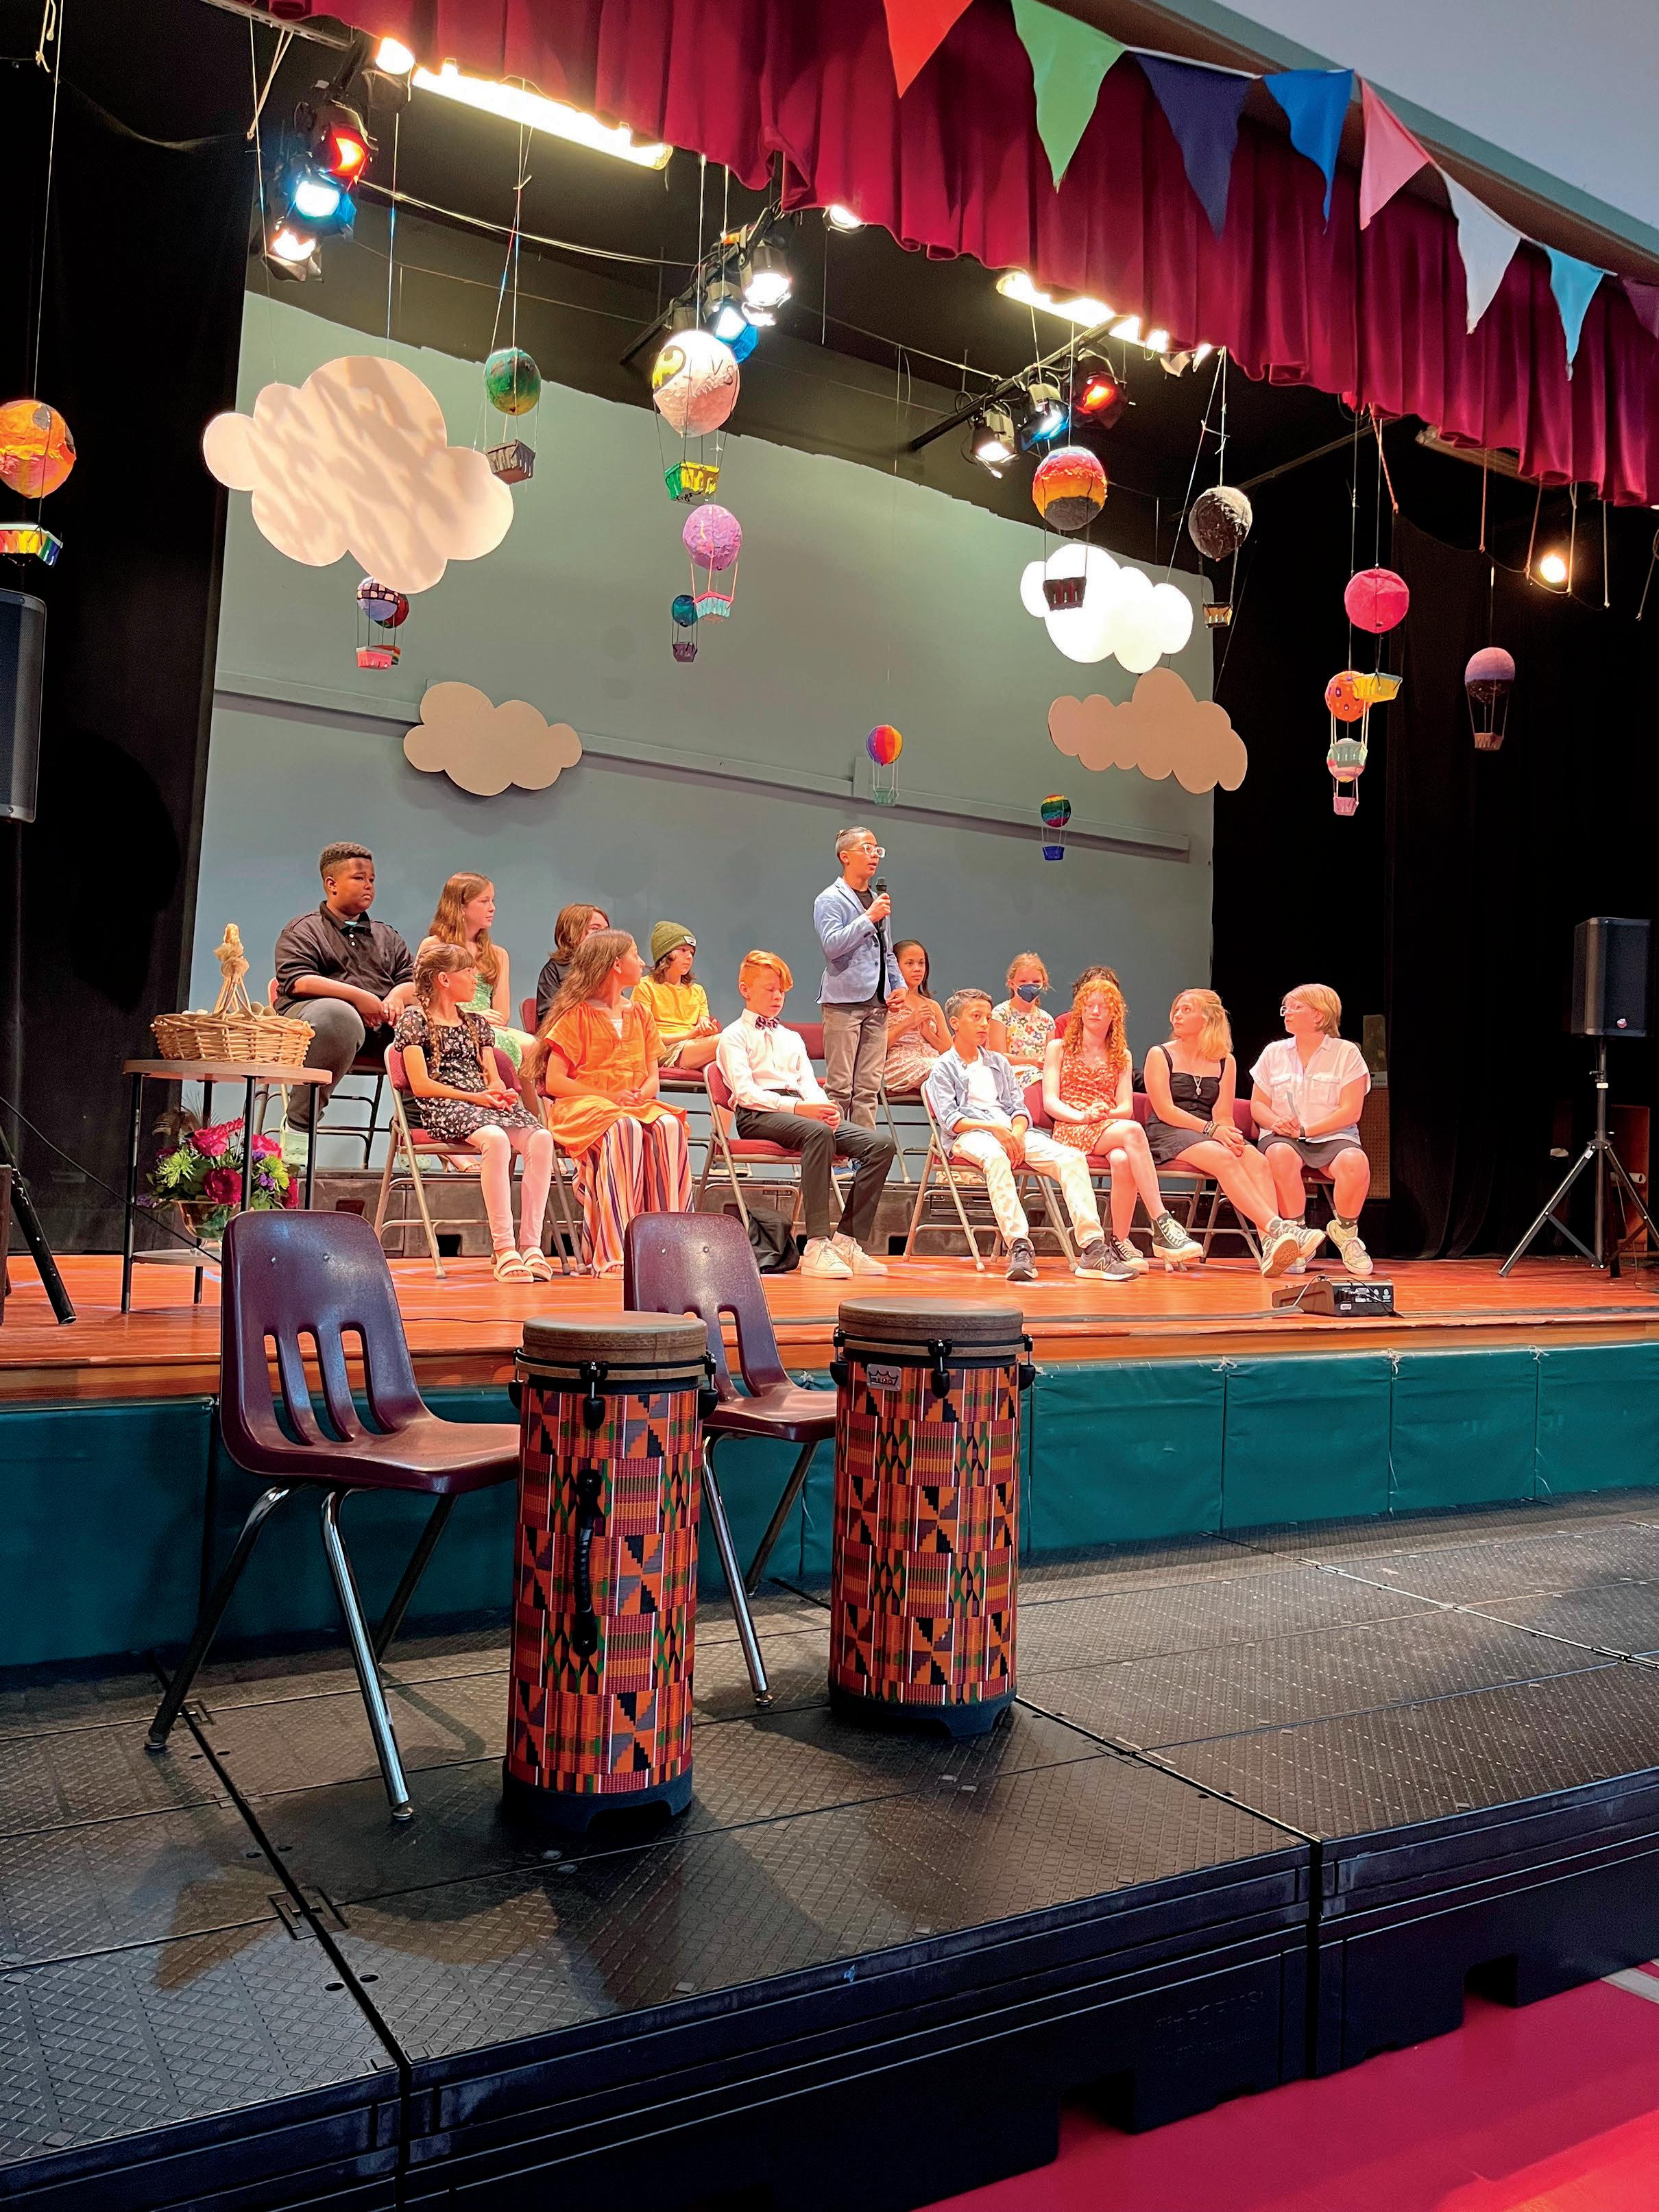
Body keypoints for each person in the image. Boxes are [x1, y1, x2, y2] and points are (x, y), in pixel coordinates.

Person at [924, 989, 1130, 1284]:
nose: (984, 1024)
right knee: (996, 1158)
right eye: (976, 1017)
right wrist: (997, 1131)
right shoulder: (944, 1067)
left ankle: (1093, 1248)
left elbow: (1019, 1109)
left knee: (1072, 1158)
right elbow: (951, 1120)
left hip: (1013, 1131)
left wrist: (1017, 1132)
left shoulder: (999, 1063)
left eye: (988, 1018)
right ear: (955, 1023)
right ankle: (1019, 1246)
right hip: (971, 1135)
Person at [716, 950, 896, 1279]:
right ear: (745, 990)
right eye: (769, 989)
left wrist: (825, 1109)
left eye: (781, 990)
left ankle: (847, 1240)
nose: (777, 996)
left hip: (803, 1113)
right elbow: (746, 1093)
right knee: (818, 1133)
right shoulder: (734, 1035)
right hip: (758, 1114)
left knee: (880, 1145)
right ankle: (816, 1244)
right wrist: (801, 1109)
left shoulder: (791, 1037)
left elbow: (808, 1084)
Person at [392, 945, 557, 1284]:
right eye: (467, 972)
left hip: (481, 1103)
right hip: (445, 1105)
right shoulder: (415, 1020)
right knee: (495, 1139)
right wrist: (475, 1097)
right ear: (444, 980)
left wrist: (498, 1091)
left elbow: (491, 1074)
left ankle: (531, 1246)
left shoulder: (476, 1024)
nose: (475, 979)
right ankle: (505, 1248)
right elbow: (421, 1085)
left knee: (541, 1138)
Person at [531, 929, 692, 1275]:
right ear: (617, 964)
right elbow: (556, 1082)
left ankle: (670, 1251)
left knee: (668, 1125)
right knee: (625, 1127)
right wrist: (611, 1098)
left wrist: (639, 1095)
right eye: (635, 955)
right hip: (584, 1105)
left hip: (631, 1104)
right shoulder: (576, 1015)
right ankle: (614, 1252)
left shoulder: (641, 1014)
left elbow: (652, 1079)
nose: (643, 963)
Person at [1142, 989, 1324, 1278]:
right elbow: (1165, 1110)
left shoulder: (1225, 1060)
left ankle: (1270, 1247)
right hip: (1169, 1130)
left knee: (1256, 1159)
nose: (1177, 1015)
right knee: (1224, 1158)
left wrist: (1228, 1133)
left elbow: (1223, 1113)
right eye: (1176, 1009)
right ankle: (1279, 1228)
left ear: (1208, 1018)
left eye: (1187, 1010)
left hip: (1209, 1131)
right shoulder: (1160, 1054)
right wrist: (1212, 1130)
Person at [1041, 974, 1204, 1271]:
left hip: (1106, 1125)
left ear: (1115, 1013)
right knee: (1133, 1132)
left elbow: (1125, 1107)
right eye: (1089, 1005)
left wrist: (1103, 1114)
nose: (1095, 1011)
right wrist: (1082, 1116)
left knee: (1122, 1159)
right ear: (1080, 1010)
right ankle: (1162, 1222)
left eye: (1104, 1006)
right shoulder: (1059, 1048)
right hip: (1071, 1126)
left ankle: (1120, 1240)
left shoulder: (1121, 1056)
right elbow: (1050, 1102)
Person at [274, 841, 414, 1162]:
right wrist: (358, 998)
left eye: (372, 879)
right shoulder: (304, 929)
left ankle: (415, 1134)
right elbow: (298, 981)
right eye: (359, 878)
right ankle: (299, 1127)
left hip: (382, 1031)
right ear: (331, 884)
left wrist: (396, 997)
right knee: (338, 1015)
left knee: (423, 1022)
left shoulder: (386, 936)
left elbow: (414, 982)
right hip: (323, 1026)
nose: (368, 886)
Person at [1250, 983, 1374, 1277]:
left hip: (1333, 1136)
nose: (1286, 1013)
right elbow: (1258, 1105)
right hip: (1283, 1137)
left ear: (1319, 1015)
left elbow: (1351, 1111)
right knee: (1280, 1155)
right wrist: (1276, 1122)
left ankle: (1346, 1233)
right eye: (1285, 1008)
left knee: (1355, 1162)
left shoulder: (1346, 1053)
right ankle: (1297, 1236)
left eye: (1295, 1008)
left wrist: (1307, 1130)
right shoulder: (1273, 1052)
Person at [417, 874, 537, 1105]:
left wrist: (483, 1020)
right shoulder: (434, 946)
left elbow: (501, 1013)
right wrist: (471, 1015)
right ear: (461, 907)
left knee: (534, 1046)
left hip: (488, 1025)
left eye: (493, 901)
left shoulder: (498, 955)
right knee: (492, 1043)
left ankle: (537, 1119)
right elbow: (423, 999)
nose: (492, 908)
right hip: (448, 1021)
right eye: (484, 901)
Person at [814, 826, 906, 1129]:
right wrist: (868, 917)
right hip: (844, 1003)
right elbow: (832, 946)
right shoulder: (830, 899)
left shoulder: (878, 900)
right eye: (867, 849)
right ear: (845, 856)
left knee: (868, 1089)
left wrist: (899, 984)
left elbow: (886, 950)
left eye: (877, 849)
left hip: (878, 1003)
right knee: (840, 1087)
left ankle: (863, 1149)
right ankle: (834, 1148)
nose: (874, 855)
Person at [633, 923, 723, 1074]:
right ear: (665, 954)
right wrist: (689, 1035)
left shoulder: (698, 991)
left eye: (692, 952)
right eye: (683, 950)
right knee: (731, 1040)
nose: (689, 957)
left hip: (693, 1046)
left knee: (737, 1040)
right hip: (662, 1050)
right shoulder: (645, 986)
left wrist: (707, 1029)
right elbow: (645, 1036)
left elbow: (704, 1023)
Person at [883, 939, 949, 1092]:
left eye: (921, 963)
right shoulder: (888, 1002)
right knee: (945, 1069)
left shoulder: (932, 1006)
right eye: (910, 963)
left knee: (963, 1068)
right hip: (901, 1065)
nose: (917, 969)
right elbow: (877, 1048)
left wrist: (928, 1034)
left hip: (934, 1062)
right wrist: (909, 1022)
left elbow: (948, 1051)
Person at [535, 902, 610, 1024]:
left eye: (606, 930)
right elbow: (549, 1019)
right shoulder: (554, 970)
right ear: (572, 933)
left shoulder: (610, 968)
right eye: (595, 929)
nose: (605, 936)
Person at [989, 953, 1055, 1083]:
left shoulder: (1047, 1020)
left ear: (1043, 983)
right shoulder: (1001, 1014)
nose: (1030, 986)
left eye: (1036, 982)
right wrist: (1033, 1062)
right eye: (1023, 982)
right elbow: (999, 1057)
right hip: (1010, 1076)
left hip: (1042, 1076)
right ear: (1011, 984)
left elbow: (1050, 1058)